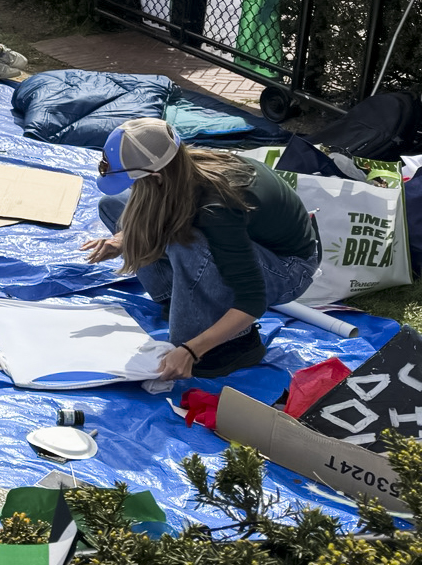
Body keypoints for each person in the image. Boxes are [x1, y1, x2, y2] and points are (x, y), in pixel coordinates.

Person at [85, 119, 320, 379]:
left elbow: (253, 299)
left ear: (156, 177)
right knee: (114, 205)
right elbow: (153, 208)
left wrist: (191, 350)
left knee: (186, 242)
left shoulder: (217, 209)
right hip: (246, 244)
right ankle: (174, 297)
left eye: (131, 182)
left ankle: (239, 344)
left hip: (290, 268)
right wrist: (122, 239)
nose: (130, 188)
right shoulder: (180, 166)